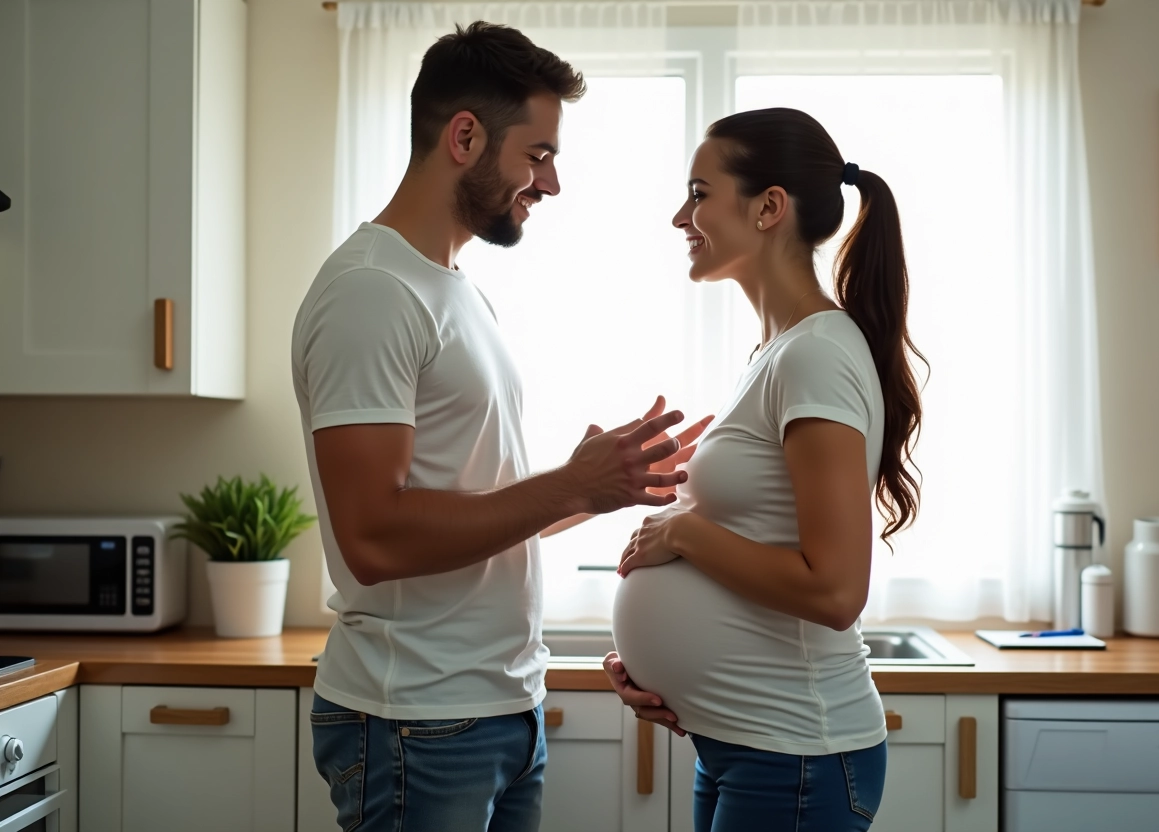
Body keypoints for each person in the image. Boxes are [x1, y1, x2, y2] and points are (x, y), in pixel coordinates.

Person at [292, 22, 708, 832]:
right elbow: (375, 538)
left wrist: (608, 489)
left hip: (494, 709)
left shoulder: (454, 292)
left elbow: (472, 510)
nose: (549, 182)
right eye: (539, 153)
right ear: (465, 136)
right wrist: (569, 480)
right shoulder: (372, 293)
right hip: (416, 716)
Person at [605, 107, 926, 832]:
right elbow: (755, 556)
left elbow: (836, 589)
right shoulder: (781, 354)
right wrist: (652, 663)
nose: (679, 216)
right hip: (747, 747)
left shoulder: (816, 353)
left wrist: (685, 537)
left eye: (697, 193)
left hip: (798, 756)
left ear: (768, 207)